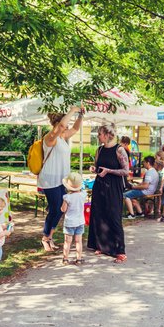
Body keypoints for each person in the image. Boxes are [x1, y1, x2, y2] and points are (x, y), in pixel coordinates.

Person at [38, 106, 84, 252]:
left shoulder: (63, 137)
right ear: (58, 124)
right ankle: (45, 237)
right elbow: (63, 125)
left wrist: (80, 115)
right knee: (55, 208)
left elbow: (75, 128)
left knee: (60, 209)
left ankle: (49, 236)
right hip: (50, 179)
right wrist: (72, 110)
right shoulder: (50, 137)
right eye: (65, 122)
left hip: (61, 179)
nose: (68, 124)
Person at [87, 124, 130, 264]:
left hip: (113, 187)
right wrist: (95, 169)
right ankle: (102, 245)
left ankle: (120, 250)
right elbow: (97, 165)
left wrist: (109, 171)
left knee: (114, 216)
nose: (98, 136)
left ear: (106, 134)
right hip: (99, 185)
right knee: (99, 215)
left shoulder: (119, 150)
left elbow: (126, 171)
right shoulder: (99, 149)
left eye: (99, 134)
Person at [60, 172, 86, 265]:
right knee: (78, 241)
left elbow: (63, 209)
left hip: (70, 223)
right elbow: (83, 190)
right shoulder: (83, 195)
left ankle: (65, 259)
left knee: (67, 241)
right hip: (80, 221)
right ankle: (79, 259)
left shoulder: (67, 197)